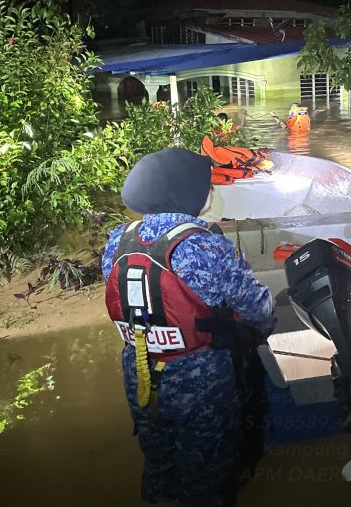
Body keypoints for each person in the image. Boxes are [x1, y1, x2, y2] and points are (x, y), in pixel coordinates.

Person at [102, 148, 276, 507]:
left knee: (158, 461)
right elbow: (258, 309)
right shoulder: (203, 245)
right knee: (209, 474)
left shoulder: (117, 240)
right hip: (200, 380)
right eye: (208, 187)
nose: (211, 193)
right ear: (187, 193)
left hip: (139, 374)